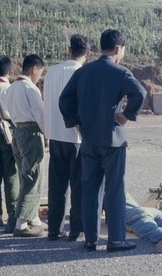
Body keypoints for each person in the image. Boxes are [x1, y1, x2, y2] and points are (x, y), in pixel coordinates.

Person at [59, 29, 147, 252]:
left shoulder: (83, 71)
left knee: (90, 188)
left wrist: (76, 122)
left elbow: (65, 100)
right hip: (113, 140)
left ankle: (90, 239)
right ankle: (116, 240)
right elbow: (140, 93)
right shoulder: (120, 72)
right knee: (115, 189)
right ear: (118, 49)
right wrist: (127, 115)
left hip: (88, 139)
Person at [44, 34, 91, 241]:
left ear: (68, 50)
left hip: (55, 134)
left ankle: (54, 228)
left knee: (57, 185)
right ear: (87, 54)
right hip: (76, 137)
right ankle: (76, 229)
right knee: (78, 184)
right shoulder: (84, 73)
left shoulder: (52, 72)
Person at [6, 54, 47, 237]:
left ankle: (30, 218)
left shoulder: (12, 86)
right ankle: (21, 223)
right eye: (40, 73)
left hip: (16, 131)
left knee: (25, 175)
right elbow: (40, 115)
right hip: (31, 133)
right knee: (33, 176)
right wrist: (48, 135)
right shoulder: (30, 88)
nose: (39, 77)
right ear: (34, 69)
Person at [0, 55, 18, 232]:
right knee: (11, 174)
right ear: (10, 71)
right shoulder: (11, 89)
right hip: (8, 131)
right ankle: (12, 214)